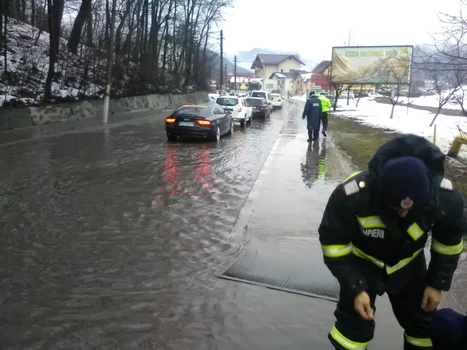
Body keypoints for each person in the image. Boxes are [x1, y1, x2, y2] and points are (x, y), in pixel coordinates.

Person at [318, 133, 465, 350]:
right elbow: (333, 243)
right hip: (363, 264)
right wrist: (356, 287)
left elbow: (449, 243)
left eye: (410, 208)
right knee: (353, 330)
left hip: (409, 265)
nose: (404, 214)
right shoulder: (353, 195)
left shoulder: (445, 198)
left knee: (422, 326)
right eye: (397, 208)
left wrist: (436, 283)